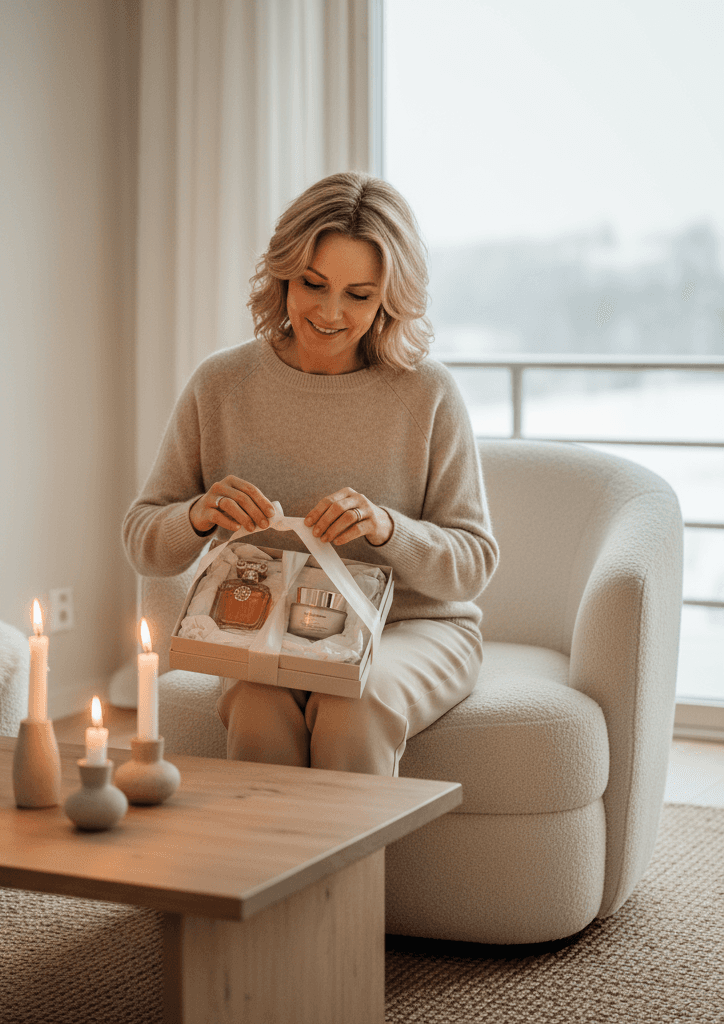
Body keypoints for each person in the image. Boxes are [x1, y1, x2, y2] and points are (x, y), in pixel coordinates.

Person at [122, 171, 498, 777]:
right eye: (313, 284)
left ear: (388, 300)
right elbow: (143, 539)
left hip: (415, 628)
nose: (328, 312)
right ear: (281, 275)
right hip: (268, 631)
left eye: (359, 294)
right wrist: (198, 515)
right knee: (256, 705)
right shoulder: (219, 385)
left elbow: (473, 562)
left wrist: (385, 529)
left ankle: (350, 878)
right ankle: (269, 874)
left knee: (354, 701)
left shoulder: (429, 393)